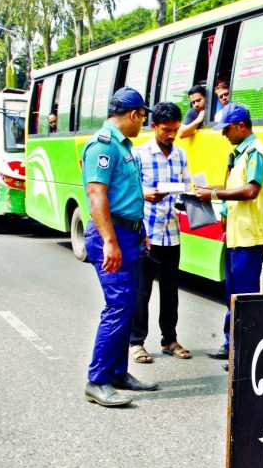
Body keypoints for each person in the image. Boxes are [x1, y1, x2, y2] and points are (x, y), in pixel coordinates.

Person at [81, 86, 160, 407]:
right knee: (117, 307)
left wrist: (138, 231)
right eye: (142, 116)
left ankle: (117, 373)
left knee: (127, 306)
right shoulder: (102, 146)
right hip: (109, 235)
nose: (142, 123)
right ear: (133, 114)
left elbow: (125, 193)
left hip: (128, 234)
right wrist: (111, 241)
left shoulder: (122, 146)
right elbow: (96, 195)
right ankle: (97, 379)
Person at [195, 104, 263, 370]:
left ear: (241, 126)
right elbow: (232, 188)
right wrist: (209, 189)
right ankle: (231, 345)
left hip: (250, 237)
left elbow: (251, 190)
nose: (224, 134)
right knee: (232, 294)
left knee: (245, 296)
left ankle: (245, 351)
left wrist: (214, 195)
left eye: (226, 129)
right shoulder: (238, 155)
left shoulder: (256, 153)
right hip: (235, 236)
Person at [129, 102, 193, 364]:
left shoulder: (180, 155)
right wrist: (145, 194)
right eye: (166, 129)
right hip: (146, 234)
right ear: (154, 126)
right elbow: (128, 191)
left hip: (171, 233)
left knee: (170, 291)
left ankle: (169, 340)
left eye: (175, 130)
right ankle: (136, 342)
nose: (171, 135)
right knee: (141, 291)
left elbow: (186, 188)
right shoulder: (139, 155)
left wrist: (185, 200)